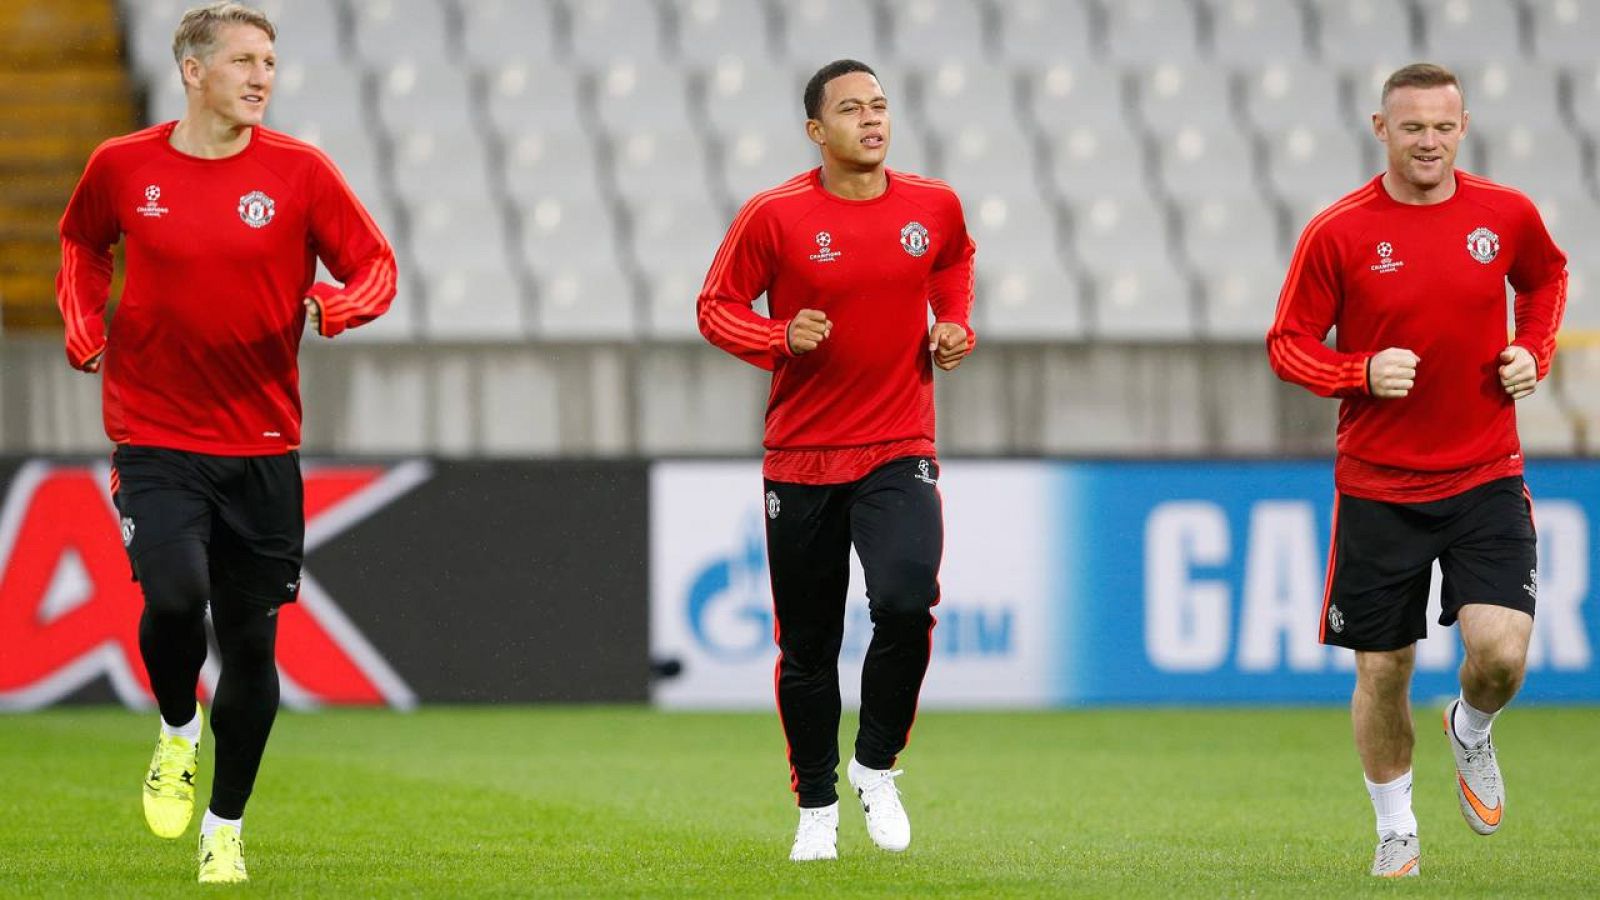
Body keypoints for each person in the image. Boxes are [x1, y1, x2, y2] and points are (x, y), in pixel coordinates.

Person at [56, 2, 396, 884]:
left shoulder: (301, 173)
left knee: (251, 645)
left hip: (263, 443)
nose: (261, 77)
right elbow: (81, 244)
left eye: (271, 62)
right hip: (155, 432)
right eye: (244, 60)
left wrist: (338, 305)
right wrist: (83, 320)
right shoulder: (123, 165)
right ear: (193, 71)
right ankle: (176, 729)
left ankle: (224, 827)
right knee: (174, 598)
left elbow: (375, 266)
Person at [1267, 63, 1567, 879]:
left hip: (1486, 474)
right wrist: (1357, 372)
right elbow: (1287, 342)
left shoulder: (1505, 215)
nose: (1427, 141)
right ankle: (1395, 826)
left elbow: (1545, 279)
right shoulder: (1340, 231)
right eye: (1411, 127)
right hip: (1379, 486)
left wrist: (1531, 352)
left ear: (1462, 127)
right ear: (1381, 129)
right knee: (1383, 668)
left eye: (1441, 126)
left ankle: (1469, 727)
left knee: (1501, 653)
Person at [698, 58, 976, 861]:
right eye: (851, 109)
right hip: (801, 457)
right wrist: (776, 335)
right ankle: (815, 803)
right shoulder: (773, 216)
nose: (872, 119)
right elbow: (714, 309)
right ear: (817, 131)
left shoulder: (934, 204)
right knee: (809, 646)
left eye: (880, 105)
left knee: (904, 598)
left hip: (898, 445)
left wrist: (954, 323)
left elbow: (954, 262)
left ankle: (876, 766)